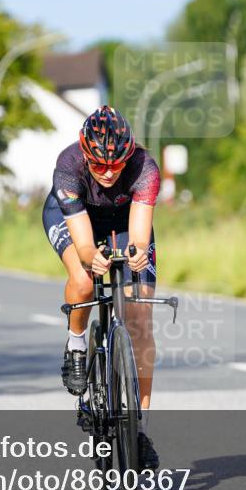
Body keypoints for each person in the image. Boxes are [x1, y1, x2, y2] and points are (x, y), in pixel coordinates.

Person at [42, 106, 161, 469]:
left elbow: (138, 237)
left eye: (116, 165)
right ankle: (77, 345)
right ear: (85, 154)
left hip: (123, 221)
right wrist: (92, 257)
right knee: (83, 279)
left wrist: (137, 254)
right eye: (99, 165)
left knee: (140, 315)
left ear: (129, 154)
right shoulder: (68, 166)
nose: (108, 173)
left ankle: (139, 429)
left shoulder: (145, 168)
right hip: (77, 218)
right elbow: (84, 245)